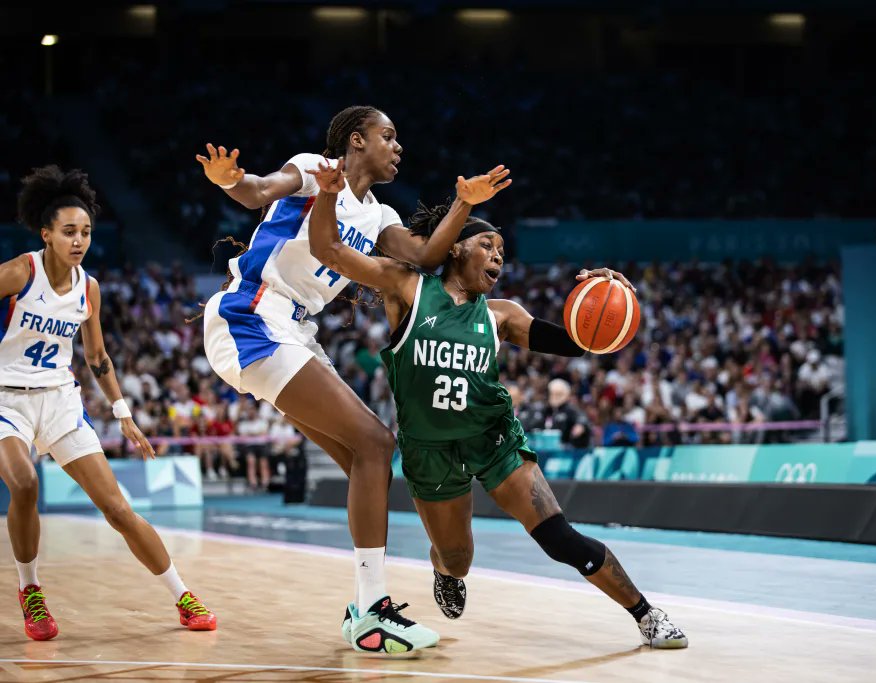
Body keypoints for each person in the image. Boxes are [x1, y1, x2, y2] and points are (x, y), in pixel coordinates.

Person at [306, 160, 688, 649]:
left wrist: (601, 299)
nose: (497, 257)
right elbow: (329, 250)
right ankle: (446, 572)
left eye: (502, 252)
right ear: (456, 245)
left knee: (558, 537)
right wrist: (324, 196)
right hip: (429, 450)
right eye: (487, 245)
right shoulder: (407, 288)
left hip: (493, 439)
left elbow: (579, 342)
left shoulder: (501, 315)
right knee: (456, 556)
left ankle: (646, 614)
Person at [195, 105, 510, 652]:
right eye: (389, 136)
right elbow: (258, 190)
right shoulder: (314, 166)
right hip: (252, 314)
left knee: (365, 462)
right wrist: (230, 179)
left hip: (292, 329)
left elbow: (429, 256)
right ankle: (372, 612)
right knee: (374, 443)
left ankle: (364, 605)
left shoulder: (380, 215)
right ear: (357, 140)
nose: (398, 147)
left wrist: (465, 204)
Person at [0, 166, 215, 641]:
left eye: (86, 232)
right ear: (46, 234)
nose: (79, 241)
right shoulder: (20, 271)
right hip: (6, 400)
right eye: (69, 232)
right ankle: (31, 591)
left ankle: (182, 594)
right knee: (24, 484)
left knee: (117, 508)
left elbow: (97, 358)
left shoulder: (88, 287)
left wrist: (124, 415)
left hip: (60, 403)